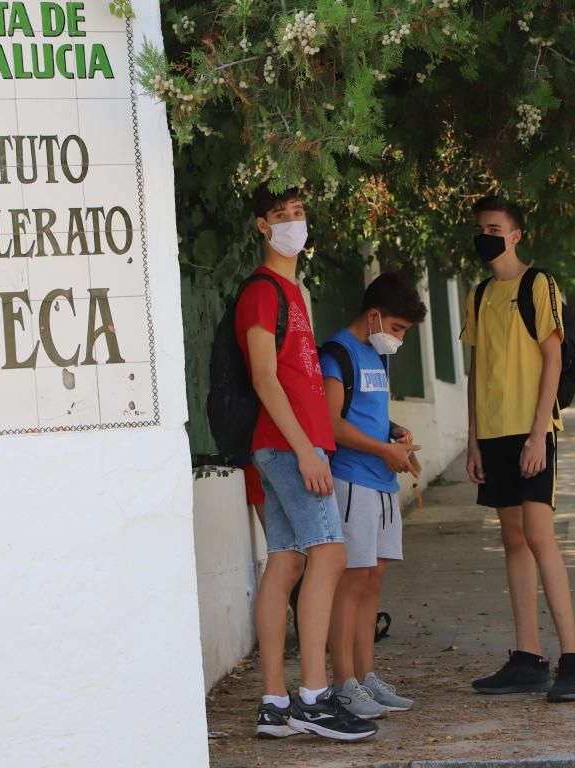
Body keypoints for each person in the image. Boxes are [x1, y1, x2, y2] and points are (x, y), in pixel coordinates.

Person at [236, 183, 377, 741]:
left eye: (300, 212)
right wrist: (304, 448)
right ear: (262, 227)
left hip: (291, 443)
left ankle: (275, 702)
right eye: (281, 215)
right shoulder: (262, 292)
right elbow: (265, 378)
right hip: (287, 444)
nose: (294, 222)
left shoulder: (293, 290)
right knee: (331, 554)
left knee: (287, 562)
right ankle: (314, 696)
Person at [460, 196, 575, 702]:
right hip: (493, 434)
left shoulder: (538, 284)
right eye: (480, 227)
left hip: (532, 429)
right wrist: (472, 440)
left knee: (540, 536)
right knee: (513, 541)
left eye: (494, 227)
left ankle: (574, 661)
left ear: (516, 234)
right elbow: (477, 373)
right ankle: (526, 657)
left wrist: (539, 434)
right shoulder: (477, 296)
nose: (485, 235)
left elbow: (553, 358)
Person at [320, 273, 427, 719]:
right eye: (398, 329)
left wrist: (393, 431)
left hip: (382, 483)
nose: (399, 338)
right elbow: (333, 425)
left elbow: (367, 415)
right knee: (351, 583)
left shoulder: (377, 356)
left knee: (372, 582)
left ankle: (366, 678)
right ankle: (343, 682)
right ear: (374, 315)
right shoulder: (338, 353)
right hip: (352, 483)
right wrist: (386, 449)